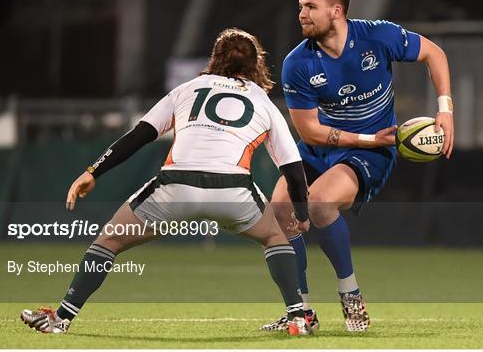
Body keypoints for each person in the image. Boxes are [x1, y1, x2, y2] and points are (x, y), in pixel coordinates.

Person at [20, 28, 314, 336]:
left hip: (176, 187)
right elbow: (293, 170)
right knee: (276, 239)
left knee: (108, 241)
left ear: (214, 59)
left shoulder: (187, 89)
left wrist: (93, 171)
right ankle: (297, 318)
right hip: (232, 191)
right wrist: (303, 217)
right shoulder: (263, 101)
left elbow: (138, 136)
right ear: (257, 64)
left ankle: (62, 318)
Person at [261, 0, 454, 332]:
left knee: (318, 203)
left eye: (310, 6)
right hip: (336, 146)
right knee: (281, 208)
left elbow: (434, 54)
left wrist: (445, 109)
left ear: (336, 11)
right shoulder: (298, 63)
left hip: (371, 155)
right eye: (300, 6)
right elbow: (308, 131)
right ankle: (300, 312)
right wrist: (368, 139)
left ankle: (351, 296)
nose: (301, 13)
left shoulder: (378, 35)